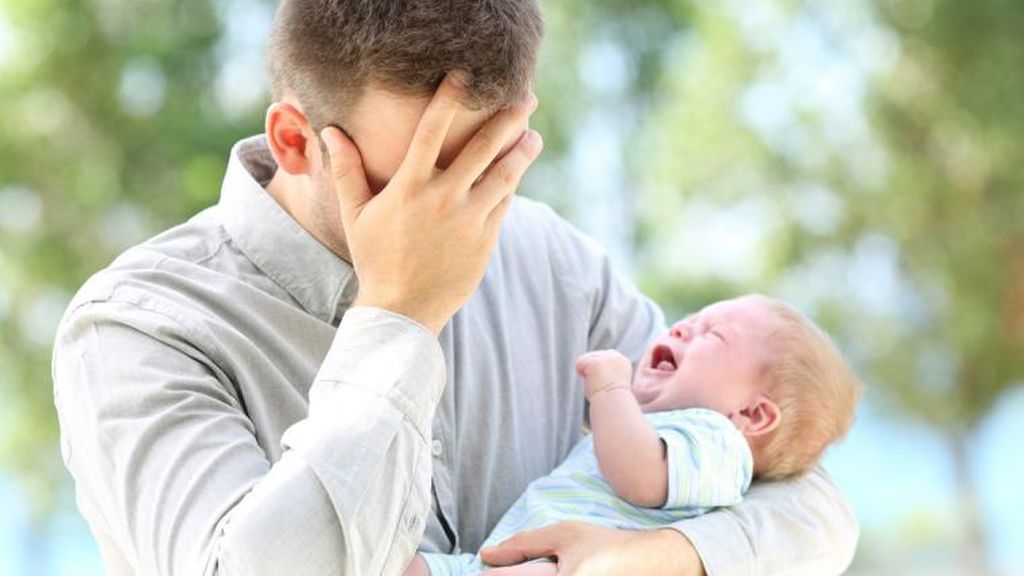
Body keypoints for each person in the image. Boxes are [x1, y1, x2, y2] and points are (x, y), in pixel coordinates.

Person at [51, 1, 858, 575]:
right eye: (427, 168)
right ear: (296, 141)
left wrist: (657, 559)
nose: (463, 205)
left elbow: (810, 510)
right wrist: (398, 318)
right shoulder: (139, 330)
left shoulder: (554, 265)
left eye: (493, 161)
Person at [406, 295, 862, 575]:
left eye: (713, 336)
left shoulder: (717, 442)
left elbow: (640, 476)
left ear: (753, 414)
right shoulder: (671, 425)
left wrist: (610, 389)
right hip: (507, 557)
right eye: (691, 318)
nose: (682, 327)